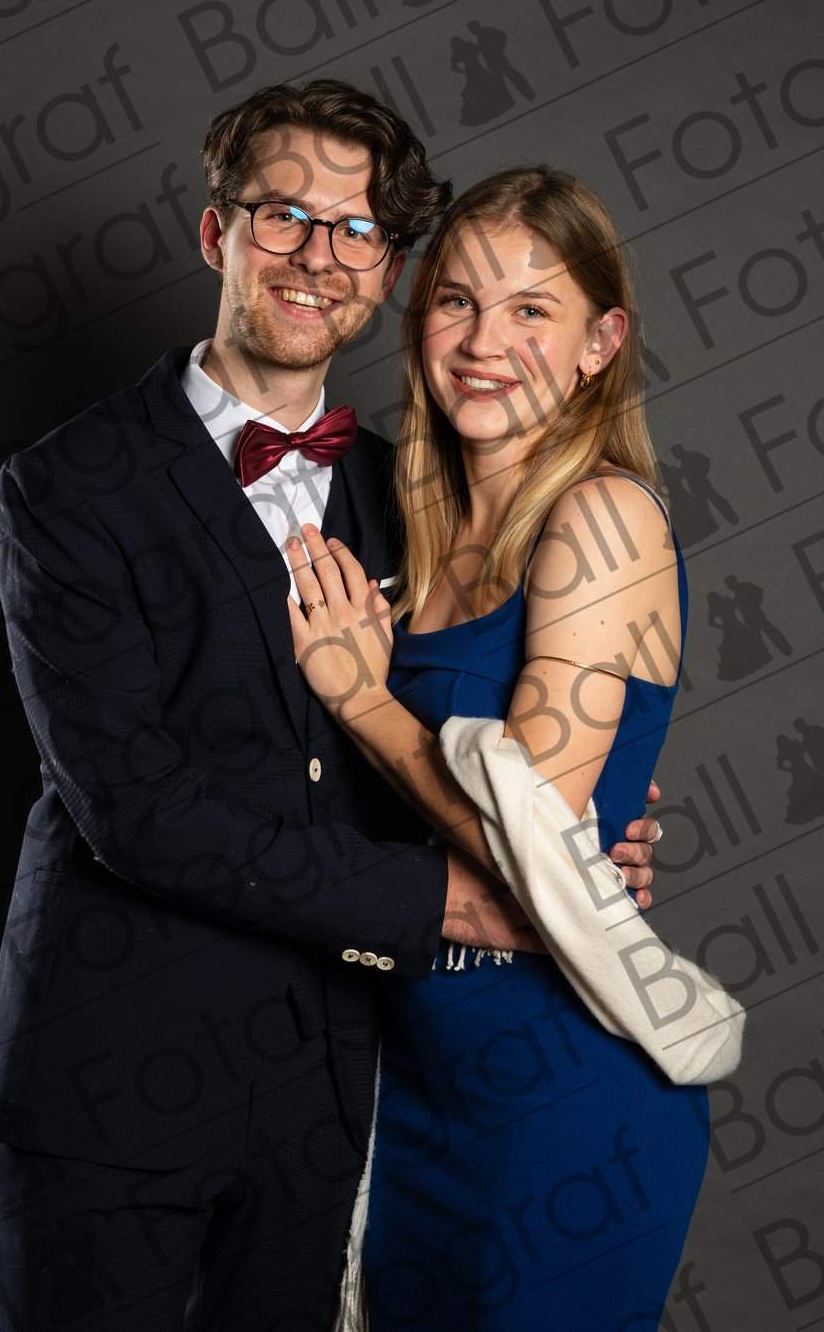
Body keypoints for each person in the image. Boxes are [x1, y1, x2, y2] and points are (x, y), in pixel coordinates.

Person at [0, 82, 660, 1331]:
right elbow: (138, 811)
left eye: (356, 230)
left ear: (387, 268)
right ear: (217, 232)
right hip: (114, 1074)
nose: (318, 256)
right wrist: (466, 897)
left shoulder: (416, 494)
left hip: (338, 1087)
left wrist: (590, 830)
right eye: (284, 215)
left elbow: (477, 734)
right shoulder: (66, 484)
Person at [287, 166, 713, 1330]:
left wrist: (362, 698)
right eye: (457, 300)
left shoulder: (602, 516)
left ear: (598, 345)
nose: (484, 342)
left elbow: (535, 835)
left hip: (557, 1096)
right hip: (408, 1083)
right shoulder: (405, 535)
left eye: (532, 309)